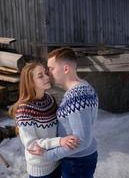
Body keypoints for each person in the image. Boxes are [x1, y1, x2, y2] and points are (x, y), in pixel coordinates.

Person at [29, 48, 99, 178]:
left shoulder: (76, 96)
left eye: (51, 68)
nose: (48, 73)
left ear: (66, 69)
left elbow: (82, 140)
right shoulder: (84, 86)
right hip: (80, 158)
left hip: (77, 161)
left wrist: (47, 155)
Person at [10, 62, 79, 178]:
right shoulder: (23, 110)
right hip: (40, 168)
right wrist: (60, 141)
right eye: (40, 76)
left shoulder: (50, 100)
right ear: (30, 82)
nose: (47, 77)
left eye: (46, 73)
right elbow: (31, 145)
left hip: (56, 160)